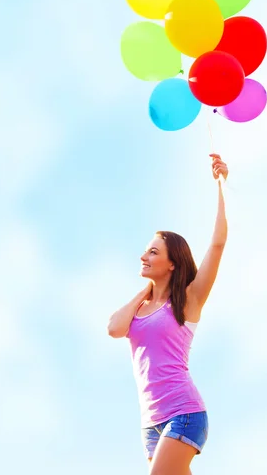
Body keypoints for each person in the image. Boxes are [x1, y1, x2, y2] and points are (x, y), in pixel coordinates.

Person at [107, 153, 229, 475]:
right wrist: (147, 290)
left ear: (172, 263)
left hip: (184, 414)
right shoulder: (140, 307)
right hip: (151, 424)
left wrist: (221, 185)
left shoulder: (187, 301)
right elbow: (114, 328)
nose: (144, 256)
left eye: (153, 252)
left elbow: (216, 245)